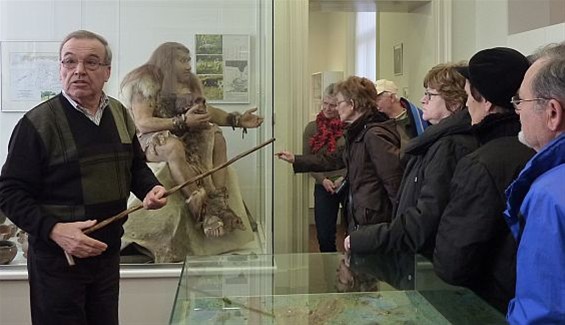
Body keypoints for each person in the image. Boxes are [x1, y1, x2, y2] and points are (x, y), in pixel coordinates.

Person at [0, 30, 167, 325]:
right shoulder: (36, 123)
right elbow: (10, 192)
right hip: (56, 259)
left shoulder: (119, 113)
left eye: (91, 63)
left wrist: (151, 189)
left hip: (107, 253)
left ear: (107, 72)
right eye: (70, 62)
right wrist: (54, 230)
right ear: (60, 68)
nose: (79, 71)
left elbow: (136, 167)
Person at [120, 42, 263, 237]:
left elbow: (207, 112)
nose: (188, 65)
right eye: (182, 60)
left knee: (216, 134)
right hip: (150, 140)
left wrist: (235, 120)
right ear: (168, 61)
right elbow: (143, 123)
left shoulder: (190, 82)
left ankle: (218, 201)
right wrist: (181, 121)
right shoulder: (146, 80)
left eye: (188, 60)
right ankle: (202, 210)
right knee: (172, 145)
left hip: (187, 135)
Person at [433, 47, 534, 312]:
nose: (466, 103)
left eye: (468, 95)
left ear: (486, 101)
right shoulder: (543, 151)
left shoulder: (483, 162)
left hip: (490, 305)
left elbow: (454, 261)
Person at [344, 63, 478, 259]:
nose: (423, 100)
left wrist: (368, 237)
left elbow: (427, 217)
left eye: (430, 95)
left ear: (455, 102)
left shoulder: (448, 147)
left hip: (430, 259)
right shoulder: (436, 141)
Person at [277, 76, 403, 233]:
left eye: (339, 103)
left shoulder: (373, 134)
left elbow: (394, 183)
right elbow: (334, 158)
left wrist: (398, 228)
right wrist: (296, 159)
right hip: (364, 217)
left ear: (352, 104)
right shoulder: (359, 132)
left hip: (375, 223)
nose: (336, 109)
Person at [504, 46, 565, 324]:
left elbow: (542, 312)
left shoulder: (549, 195)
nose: (517, 112)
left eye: (521, 101)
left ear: (552, 112)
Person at [303, 83, 346, 252]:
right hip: (323, 185)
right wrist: (323, 179)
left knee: (353, 233)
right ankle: (330, 275)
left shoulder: (347, 127)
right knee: (324, 235)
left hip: (347, 182)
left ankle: (351, 274)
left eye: (333, 105)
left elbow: (355, 158)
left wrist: (344, 177)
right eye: (325, 104)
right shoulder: (311, 128)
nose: (328, 109)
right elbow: (308, 160)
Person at [374, 79, 428, 149]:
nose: (375, 104)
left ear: (392, 98)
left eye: (378, 100)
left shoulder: (419, 119)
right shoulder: (376, 121)